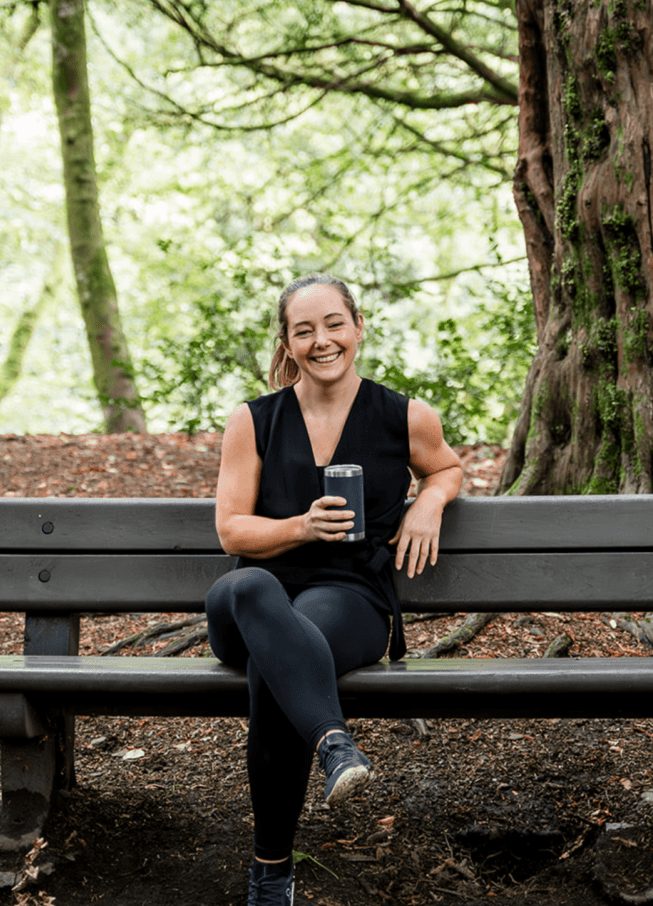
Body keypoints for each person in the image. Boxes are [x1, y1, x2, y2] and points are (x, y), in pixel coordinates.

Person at [209, 273, 463, 906]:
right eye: (304, 330)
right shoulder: (254, 420)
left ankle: (270, 875)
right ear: (287, 342)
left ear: (356, 328)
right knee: (249, 590)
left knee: (285, 658)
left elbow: (449, 466)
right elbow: (229, 529)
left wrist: (430, 499)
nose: (322, 340)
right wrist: (300, 526)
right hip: (254, 600)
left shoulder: (403, 415)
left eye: (333, 325)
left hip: (348, 598)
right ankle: (333, 740)